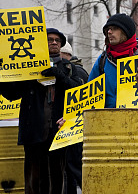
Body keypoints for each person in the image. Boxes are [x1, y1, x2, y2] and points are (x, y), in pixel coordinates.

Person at [1, 28, 82, 194]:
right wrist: (2, 74)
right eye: (49, 39)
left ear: (61, 45)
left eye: (57, 41)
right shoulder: (26, 69)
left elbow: (79, 92)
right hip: (34, 131)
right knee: (34, 177)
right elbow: (11, 94)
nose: (53, 42)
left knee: (57, 176)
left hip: (59, 131)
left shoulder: (69, 68)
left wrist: (61, 77)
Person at [88, 13, 138, 108]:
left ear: (126, 32)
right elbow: (88, 97)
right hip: (108, 120)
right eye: (108, 29)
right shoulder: (102, 61)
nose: (109, 32)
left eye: (114, 28)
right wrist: (71, 118)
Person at [60, 41, 89, 194]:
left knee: (74, 166)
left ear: (67, 55)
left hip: (74, 127)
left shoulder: (77, 72)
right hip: (69, 125)